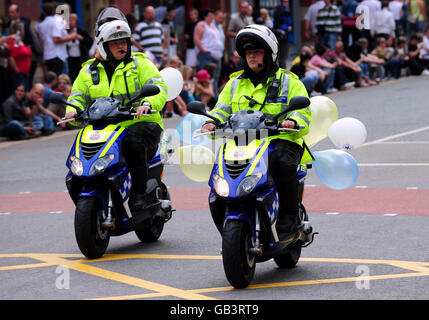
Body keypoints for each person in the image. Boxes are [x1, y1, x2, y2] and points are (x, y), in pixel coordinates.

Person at [201, 24, 312, 237]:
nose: (252, 56)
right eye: (248, 52)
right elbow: (221, 110)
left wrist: (292, 120)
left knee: (280, 159)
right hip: (243, 142)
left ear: (269, 54)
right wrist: (212, 122)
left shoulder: (289, 81)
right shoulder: (234, 83)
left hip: (281, 140)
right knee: (219, 176)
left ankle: (289, 216)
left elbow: (303, 111)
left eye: (257, 52)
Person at [64, 8, 167, 212]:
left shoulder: (140, 64)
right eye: (115, 43)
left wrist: (147, 104)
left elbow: (160, 88)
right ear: (103, 46)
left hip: (141, 124)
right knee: (81, 144)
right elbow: (77, 95)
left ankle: (139, 194)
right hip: (105, 128)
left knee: (133, 143)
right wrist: (72, 110)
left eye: (124, 41)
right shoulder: (88, 70)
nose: (121, 46)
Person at [35, 2, 79, 76]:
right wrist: (71, 37)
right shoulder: (58, 21)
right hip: (58, 55)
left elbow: (41, 39)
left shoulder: (41, 24)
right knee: (60, 79)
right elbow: (56, 39)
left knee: (53, 79)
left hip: (48, 55)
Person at [66, 13, 92, 82]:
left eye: (73, 20)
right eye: (69, 21)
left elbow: (90, 41)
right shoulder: (65, 32)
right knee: (72, 75)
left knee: (81, 74)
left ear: (76, 22)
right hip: (70, 58)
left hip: (80, 58)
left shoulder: (81, 31)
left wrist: (81, 38)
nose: (71, 22)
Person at [274, 0, 296, 69]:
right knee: (282, 57)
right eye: (285, 1)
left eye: (287, 1)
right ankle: (282, 72)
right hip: (282, 37)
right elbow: (277, 24)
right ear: (282, 2)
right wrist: (287, 27)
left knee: (283, 57)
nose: (286, 3)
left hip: (285, 36)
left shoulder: (285, 11)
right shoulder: (279, 11)